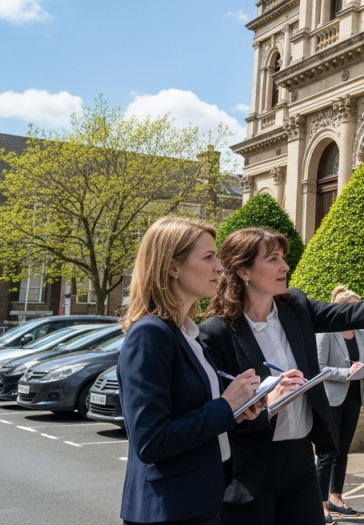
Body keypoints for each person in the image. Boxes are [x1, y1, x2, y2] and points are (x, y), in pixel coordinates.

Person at [199, 229, 364, 525]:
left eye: (283, 257)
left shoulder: (294, 306)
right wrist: (264, 402)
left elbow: (348, 314)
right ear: (244, 271)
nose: (285, 266)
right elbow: (219, 413)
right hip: (251, 468)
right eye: (273, 259)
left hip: (301, 460)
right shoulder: (216, 333)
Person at [118, 217, 262, 525]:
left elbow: (197, 414)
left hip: (201, 501)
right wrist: (225, 405)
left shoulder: (188, 333)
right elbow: (151, 440)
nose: (220, 267)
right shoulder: (150, 334)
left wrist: (237, 412)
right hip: (170, 510)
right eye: (208, 257)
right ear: (173, 267)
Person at [315, 286, 364, 522]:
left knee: (342, 450)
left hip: (354, 396)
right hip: (331, 398)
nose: (358, 312)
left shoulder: (361, 333)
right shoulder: (326, 332)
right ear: (342, 308)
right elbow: (318, 369)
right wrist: (347, 371)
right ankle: (321, 504)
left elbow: (360, 367)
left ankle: (336, 496)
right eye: (354, 307)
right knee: (326, 452)